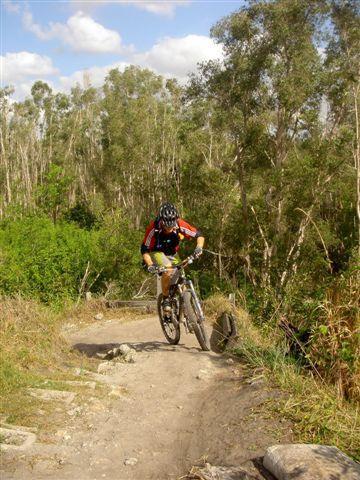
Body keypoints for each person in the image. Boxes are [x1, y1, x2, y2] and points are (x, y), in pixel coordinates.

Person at [141, 202, 204, 310]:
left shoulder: (180, 224)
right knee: (168, 269)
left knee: (181, 276)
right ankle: (165, 299)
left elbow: (199, 235)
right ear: (161, 221)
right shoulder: (153, 228)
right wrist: (150, 264)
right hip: (157, 252)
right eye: (166, 226)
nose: (169, 228)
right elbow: (144, 249)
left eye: (171, 225)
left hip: (173, 253)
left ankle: (185, 308)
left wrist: (199, 247)